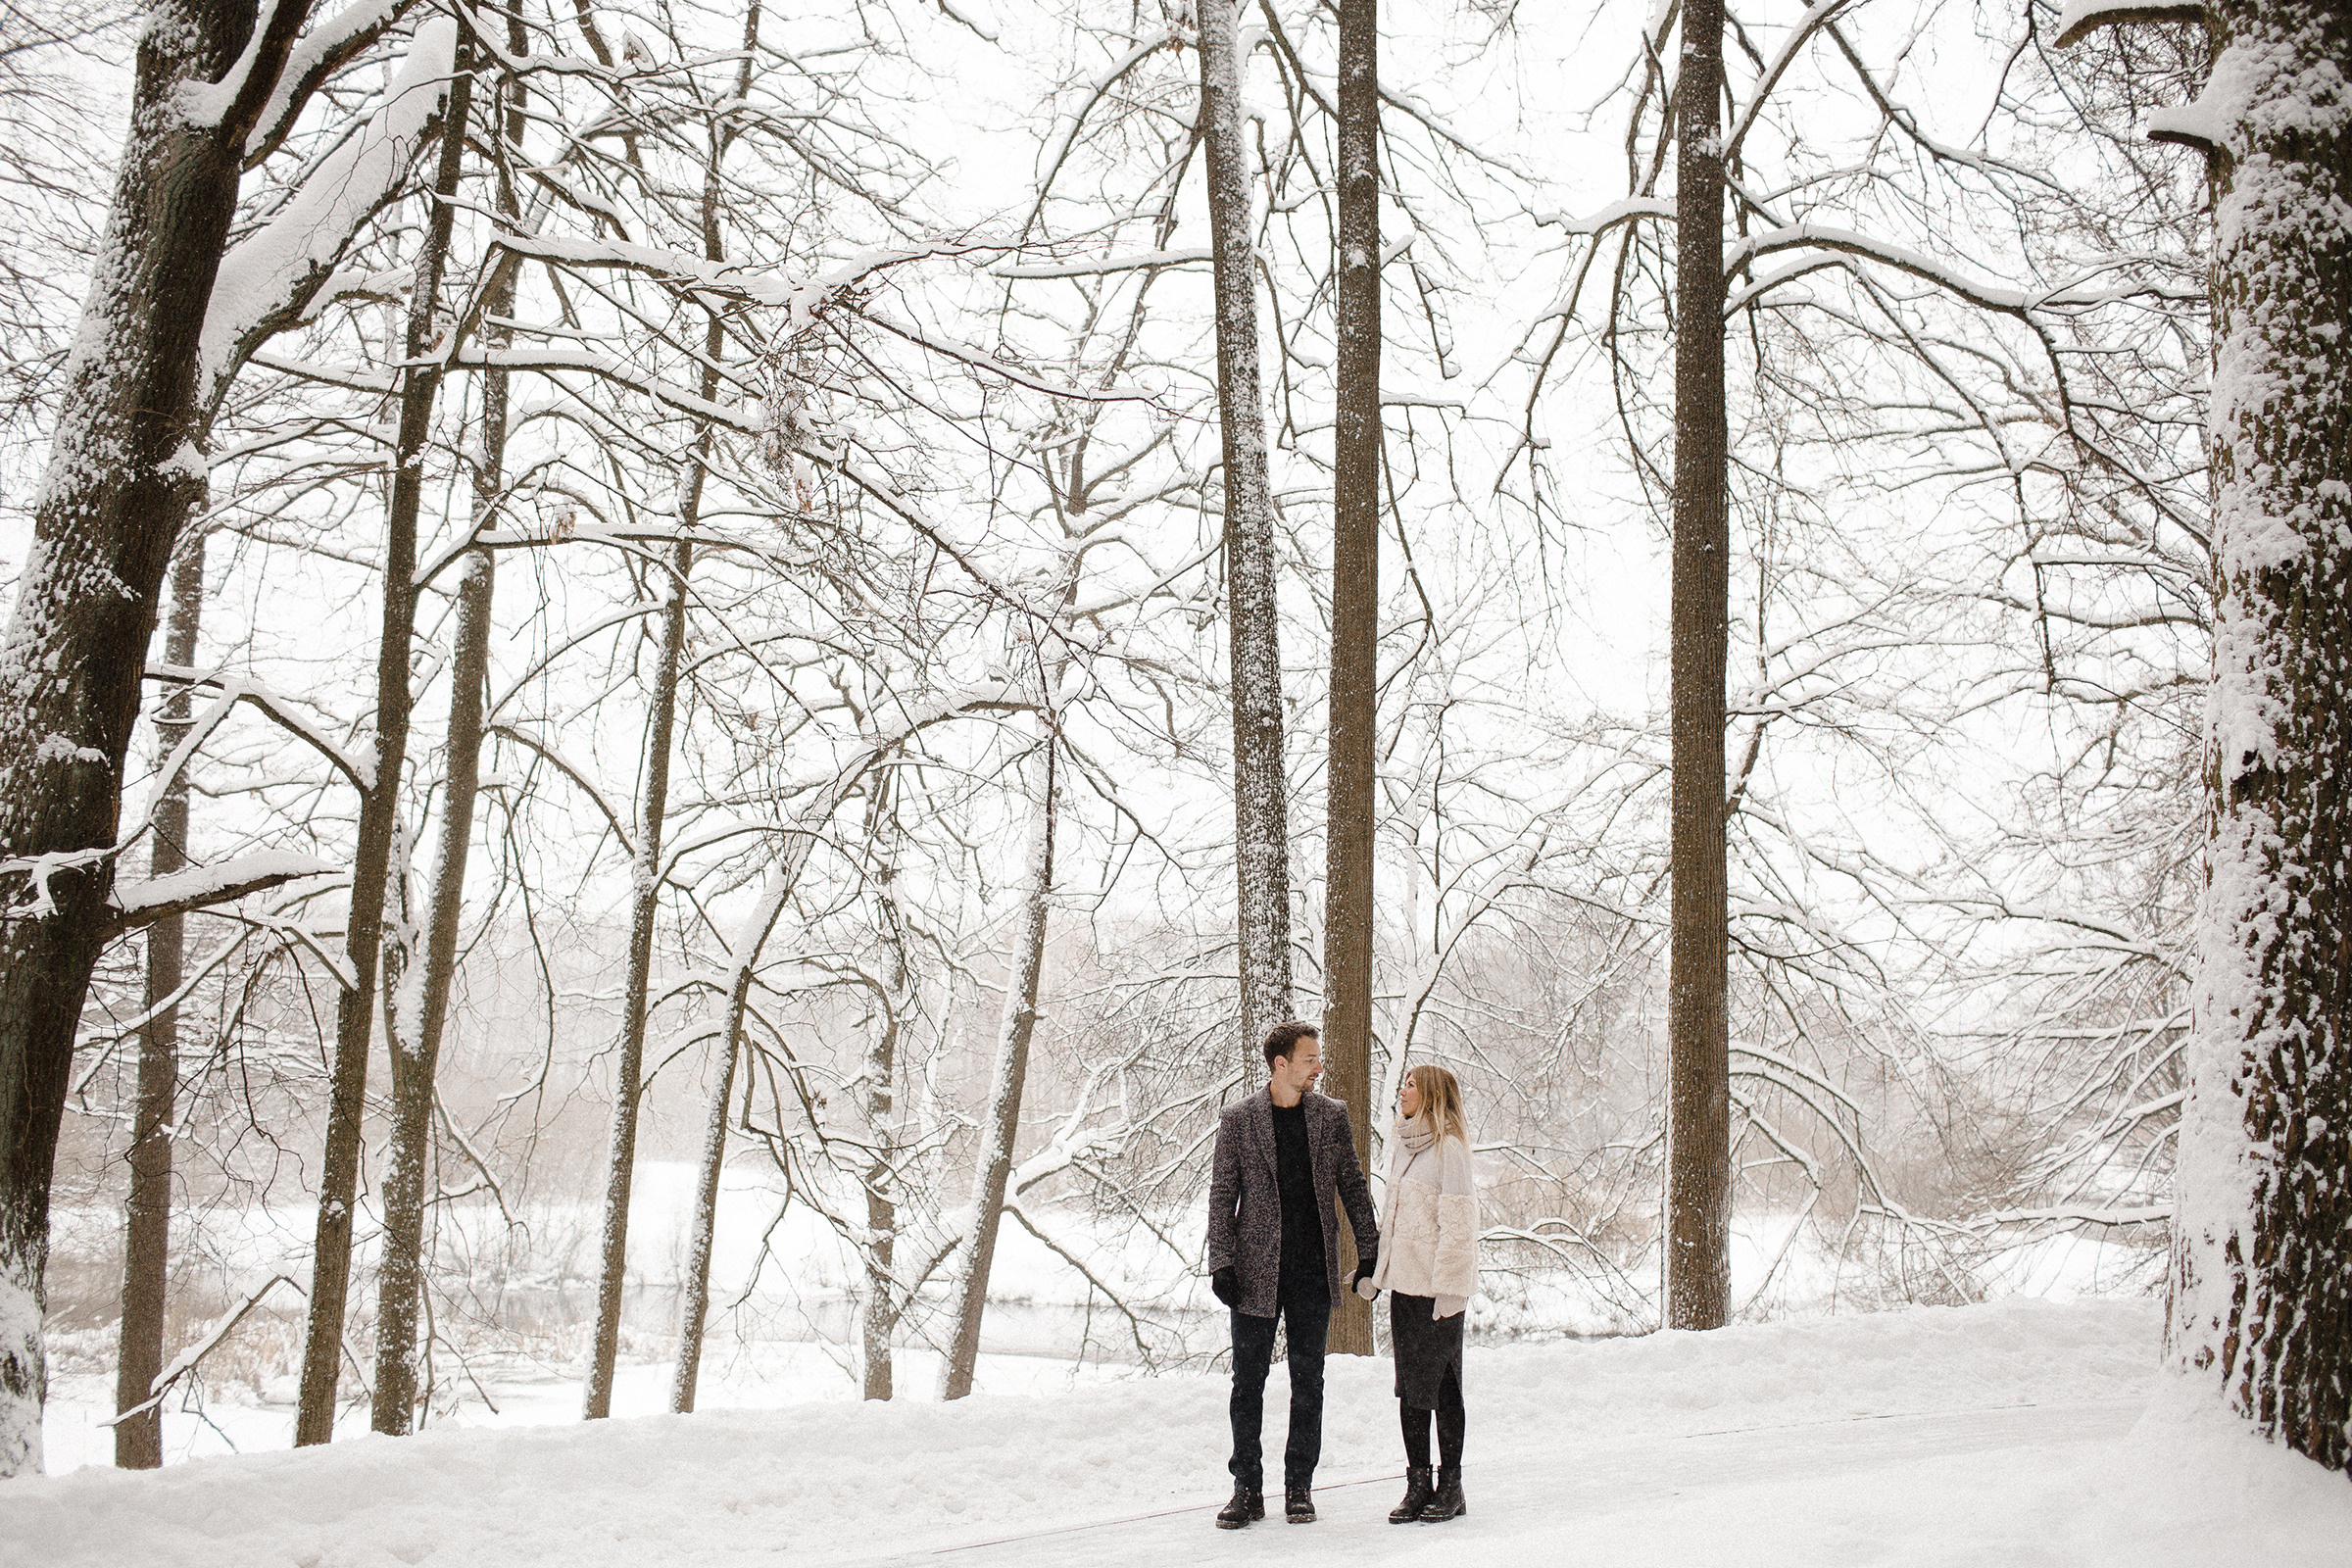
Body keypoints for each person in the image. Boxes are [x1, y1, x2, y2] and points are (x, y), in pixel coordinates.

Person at [1203, 1020, 1379, 1528]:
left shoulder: (1331, 1117)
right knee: (1247, 1383)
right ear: (1280, 1064)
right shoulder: (1238, 1120)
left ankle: (1299, 1486)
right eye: (1309, 1060)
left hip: (1310, 1272)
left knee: (1309, 1380)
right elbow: (1221, 1196)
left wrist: (1369, 1252)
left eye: (1317, 1059)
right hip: (1254, 1274)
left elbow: (1352, 1184)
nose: (1318, 1068)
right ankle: (1247, 1489)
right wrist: (1222, 1262)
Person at [1358, 1063, 1480, 1524]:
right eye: (1403, 1083)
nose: (1402, 1091)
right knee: (1410, 1391)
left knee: (1444, 1389)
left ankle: (1452, 1485)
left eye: (1411, 1084)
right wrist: (1376, 1274)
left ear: (1431, 1095)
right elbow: (1393, 1222)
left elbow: (1459, 1227)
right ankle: (1418, 1484)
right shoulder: (1405, 1151)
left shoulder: (1450, 1150)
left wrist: (1451, 1292)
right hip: (1405, 1291)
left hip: (1438, 1294)